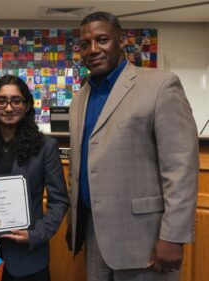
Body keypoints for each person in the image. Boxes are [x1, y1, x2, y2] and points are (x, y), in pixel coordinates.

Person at [68, 11, 198, 281]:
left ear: (121, 40)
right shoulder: (80, 99)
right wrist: (74, 221)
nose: (93, 49)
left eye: (102, 39)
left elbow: (181, 169)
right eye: (85, 44)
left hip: (144, 240)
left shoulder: (160, 85)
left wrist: (173, 236)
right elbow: (80, 167)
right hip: (94, 236)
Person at [0, 75, 69, 281]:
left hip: (28, 258)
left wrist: (35, 235)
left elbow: (59, 201)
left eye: (16, 101)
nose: (9, 108)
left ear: (26, 106)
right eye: (2, 101)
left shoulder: (46, 147)